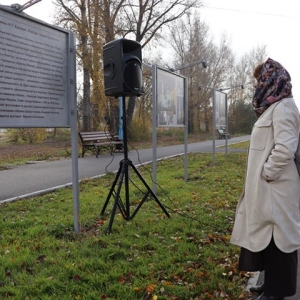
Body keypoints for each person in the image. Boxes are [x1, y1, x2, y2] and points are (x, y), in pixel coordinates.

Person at [230, 58, 300, 300]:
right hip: (269, 188)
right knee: (268, 238)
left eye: (259, 80)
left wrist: (267, 173)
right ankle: (269, 283)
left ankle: (277, 292)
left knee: (279, 240)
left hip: (277, 188)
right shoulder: (274, 106)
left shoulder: (284, 108)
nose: (256, 85)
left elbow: (285, 148)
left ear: (271, 80)